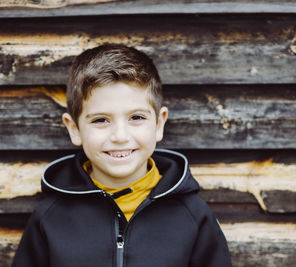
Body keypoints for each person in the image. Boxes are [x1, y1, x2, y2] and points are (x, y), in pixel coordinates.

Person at [12, 43, 232, 267]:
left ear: (159, 124)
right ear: (74, 129)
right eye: (101, 120)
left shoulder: (194, 216)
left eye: (136, 117)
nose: (120, 136)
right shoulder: (49, 217)